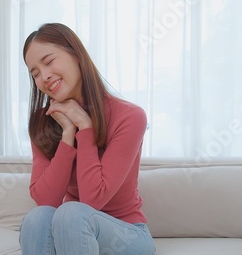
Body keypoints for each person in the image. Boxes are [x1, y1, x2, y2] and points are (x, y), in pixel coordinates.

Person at [19, 23, 155, 255]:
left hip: (126, 235)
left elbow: (94, 200)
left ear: (76, 54)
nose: (44, 76)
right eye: (35, 73)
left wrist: (86, 128)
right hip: (71, 233)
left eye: (49, 61)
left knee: (72, 213)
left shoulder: (130, 116)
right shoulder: (42, 121)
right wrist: (67, 134)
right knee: (37, 218)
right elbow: (45, 201)